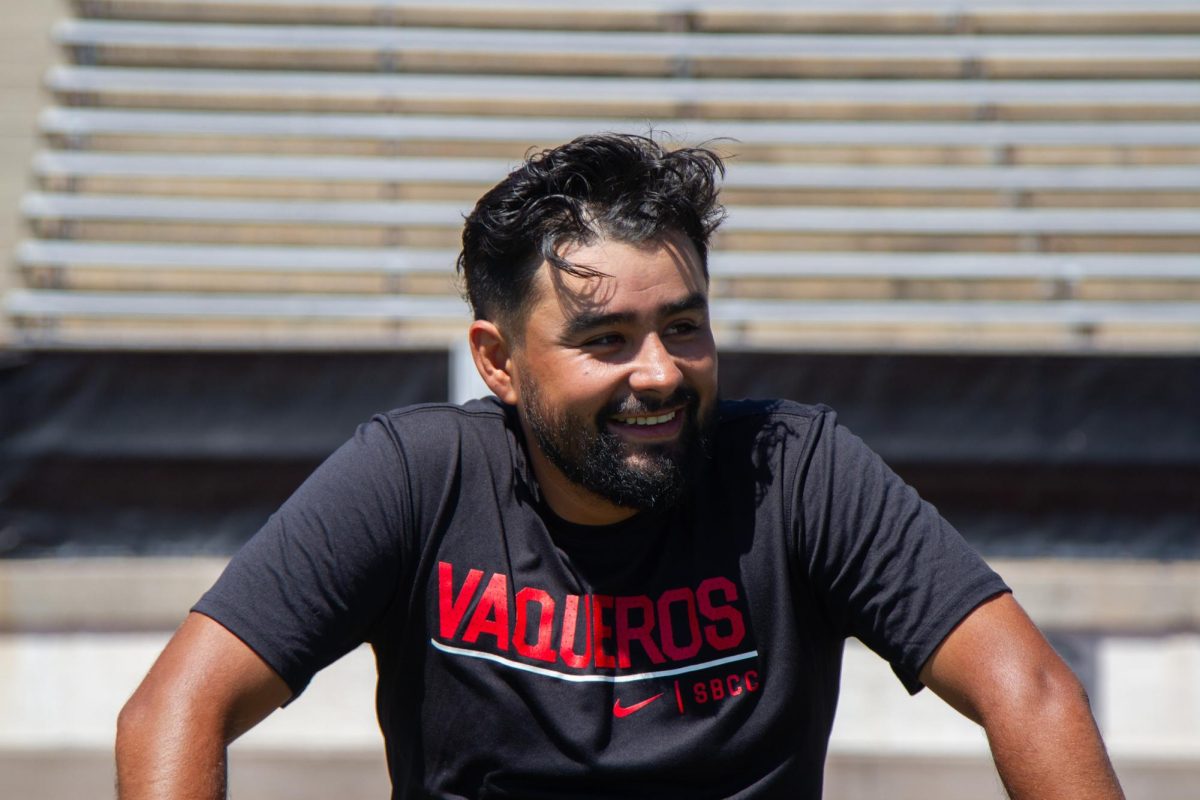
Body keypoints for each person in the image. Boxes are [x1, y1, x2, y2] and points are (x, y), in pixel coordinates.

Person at [116, 133, 1125, 799]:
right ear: (499, 361)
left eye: (684, 326)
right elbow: (176, 705)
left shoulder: (798, 467)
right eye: (606, 339)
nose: (659, 372)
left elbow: (1028, 688)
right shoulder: (416, 476)